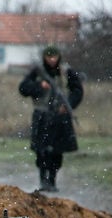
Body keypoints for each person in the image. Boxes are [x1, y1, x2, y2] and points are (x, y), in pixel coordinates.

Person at [19, 44, 84, 192]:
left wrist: (68, 106)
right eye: (49, 57)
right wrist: (39, 86)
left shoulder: (67, 72)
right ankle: (43, 180)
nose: (52, 60)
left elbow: (77, 91)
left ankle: (52, 180)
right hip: (42, 115)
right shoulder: (37, 72)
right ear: (44, 58)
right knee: (41, 150)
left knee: (57, 151)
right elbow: (23, 88)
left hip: (60, 117)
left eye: (54, 57)